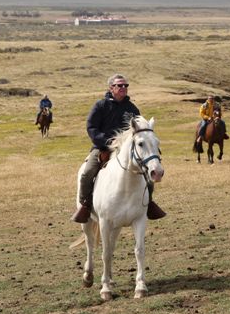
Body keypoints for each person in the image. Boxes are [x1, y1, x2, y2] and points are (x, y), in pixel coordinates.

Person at [70, 74, 166, 223]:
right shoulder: (100, 106)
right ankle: (85, 206)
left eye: (125, 86)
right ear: (111, 88)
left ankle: (149, 203)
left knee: (148, 173)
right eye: (119, 85)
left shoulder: (132, 109)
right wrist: (106, 143)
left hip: (127, 151)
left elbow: (139, 132)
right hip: (103, 148)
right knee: (87, 173)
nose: (123, 88)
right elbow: (91, 127)